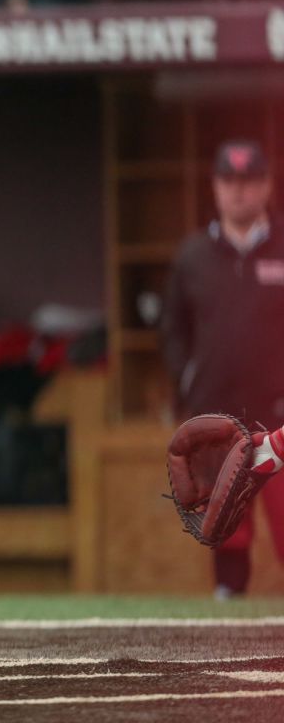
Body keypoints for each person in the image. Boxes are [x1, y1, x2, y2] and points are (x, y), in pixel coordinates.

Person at [162, 139, 284, 597]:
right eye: (229, 182)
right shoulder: (193, 256)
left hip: (278, 416)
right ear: (215, 187)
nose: (239, 192)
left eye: (249, 181)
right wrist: (187, 380)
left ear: (266, 186)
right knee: (227, 524)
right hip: (218, 420)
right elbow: (171, 327)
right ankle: (226, 605)